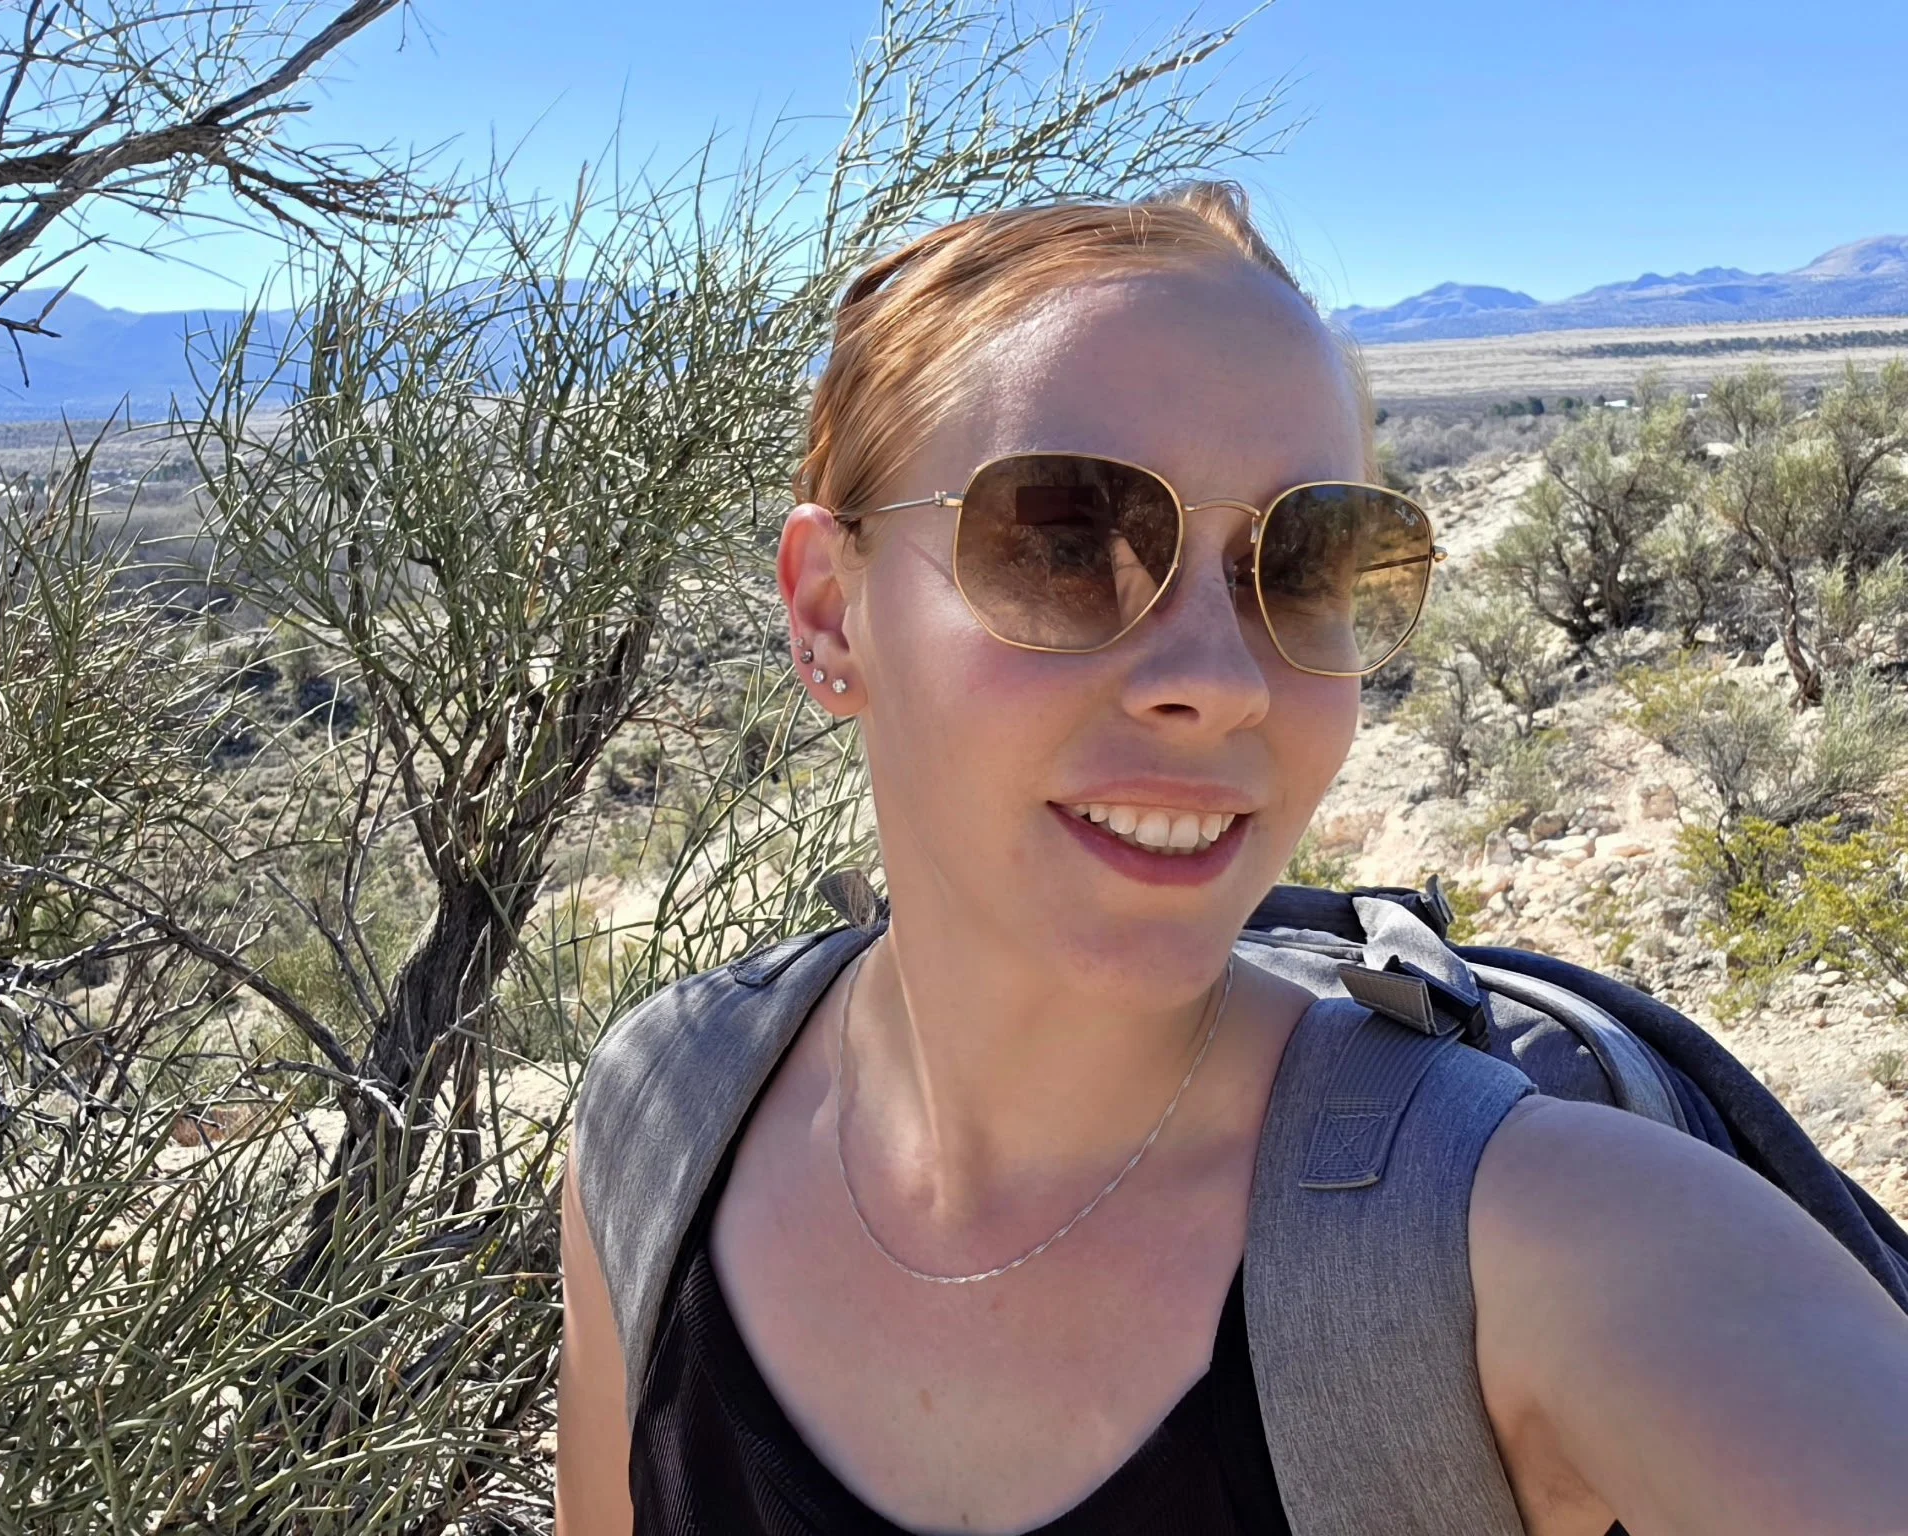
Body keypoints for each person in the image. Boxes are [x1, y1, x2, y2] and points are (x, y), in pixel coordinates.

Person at [555, 184, 1908, 1535]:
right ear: (828, 612)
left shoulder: (1533, 1245)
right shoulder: (659, 1130)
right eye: (1066, 538)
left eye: (1305, 560)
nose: (1219, 679)